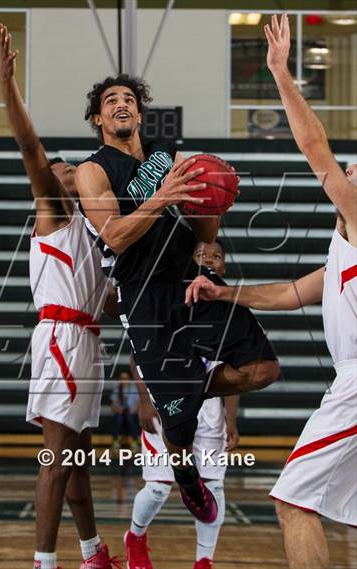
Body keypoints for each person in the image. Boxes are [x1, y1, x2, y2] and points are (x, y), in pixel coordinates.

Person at [185, 14, 357, 569]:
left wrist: (281, 73)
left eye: (352, 170)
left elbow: (314, 148)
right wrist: (223, 294)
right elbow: (289, 293)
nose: (346, 173)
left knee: (292, 500)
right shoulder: (342, 249)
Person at [75, 74, 279, 523]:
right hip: (143, 296)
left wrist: (213, 208)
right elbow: (115, 236)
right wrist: (160, 197)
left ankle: (185, 391)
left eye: (129, 99)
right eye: (111, 101)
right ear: (99, 117)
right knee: (180, 438)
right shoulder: (92, 170)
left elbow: (204, 233)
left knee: (263, 368)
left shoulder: (171, 158)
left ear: (141, 113)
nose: (121, 104)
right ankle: (185, 475)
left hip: (192, 281)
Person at [0, 24, 120, 569]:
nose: (69, 170)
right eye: (65, 168)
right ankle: (43, 563)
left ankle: (92, 552)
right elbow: (30, 146)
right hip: (62, 340)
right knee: (55, 458)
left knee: (77, 456)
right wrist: (7, 85)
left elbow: (111, 305)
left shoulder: (97, 234)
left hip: (86, 338)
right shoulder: (53, 209)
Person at [125, 240, 240, 569]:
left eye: (217, 256)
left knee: (213, 485)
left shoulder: (231, 306)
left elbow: (234, 370)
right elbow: (138, 350)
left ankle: (204, 560)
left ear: (224, 267)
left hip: (210, 408)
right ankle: (135, 537)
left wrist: (231, 421)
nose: (209, 259)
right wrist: (145, 400)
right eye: (201, 254)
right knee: (159, 487)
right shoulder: (167, 295)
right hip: (167, 399)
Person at [110, 369, 140, 452]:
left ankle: (135, 441)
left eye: (126, 378)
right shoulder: (117, 389)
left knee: (130, 417)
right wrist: (119, 410)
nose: (124, 380)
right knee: (119, 417)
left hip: (132, 414)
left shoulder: (135, 389)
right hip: (120, 414)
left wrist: (131, 411)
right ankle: (115, 441)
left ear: (129, 379)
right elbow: (113, 406)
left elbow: (138, 404)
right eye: (122, 378)